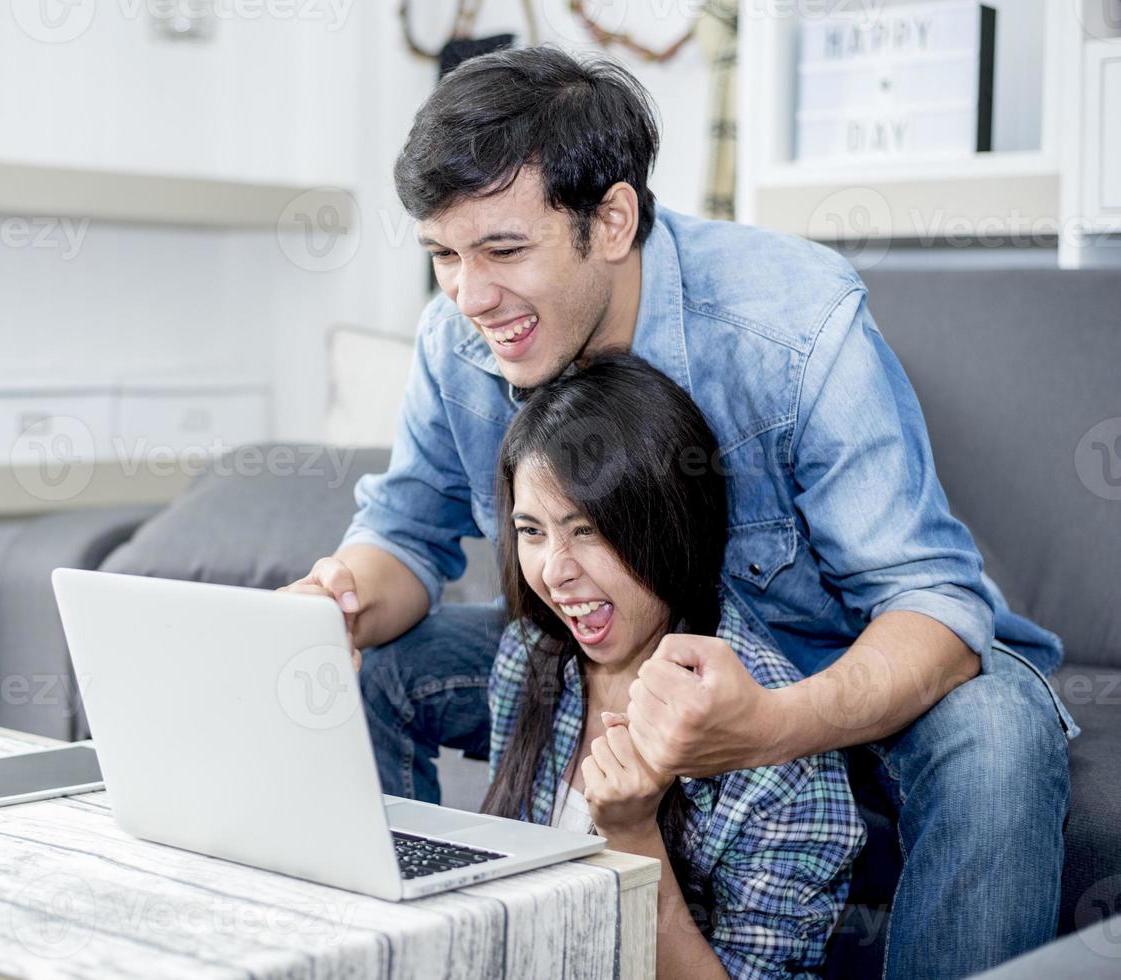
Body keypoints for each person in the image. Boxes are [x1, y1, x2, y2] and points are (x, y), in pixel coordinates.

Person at [285, 46, 1074, 978]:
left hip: (838, 670)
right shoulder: (457, 341)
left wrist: (768, 725)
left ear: (611, 219)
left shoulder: (795, 326)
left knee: (998, 736)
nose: (470, 295)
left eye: (502, 250)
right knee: (368, 673)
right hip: (618, 660)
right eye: (444, 256)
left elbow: (932, 602)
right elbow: (405, 537)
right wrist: (330, 605)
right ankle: (400, 948)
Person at [487, 354, 863, 978]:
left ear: (672, 524)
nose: (554, 571)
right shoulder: (531, 655)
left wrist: (633, 837)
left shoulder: (787, 765)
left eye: (586, 531)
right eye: (532, 532)